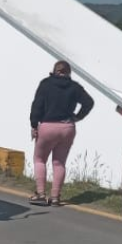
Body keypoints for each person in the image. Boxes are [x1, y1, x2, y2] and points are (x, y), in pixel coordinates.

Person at [28, 60, 95, 206]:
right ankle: (56, 197)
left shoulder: (45, 84)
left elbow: (37, 106)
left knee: (39, 159)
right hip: (67, 128)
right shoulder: (75, 87)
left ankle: (40, 194)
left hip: (47, 126)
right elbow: (89, 102)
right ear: (69, 73)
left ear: (54, 71)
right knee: (59, 163)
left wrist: (34, 125)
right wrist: (78, 117)